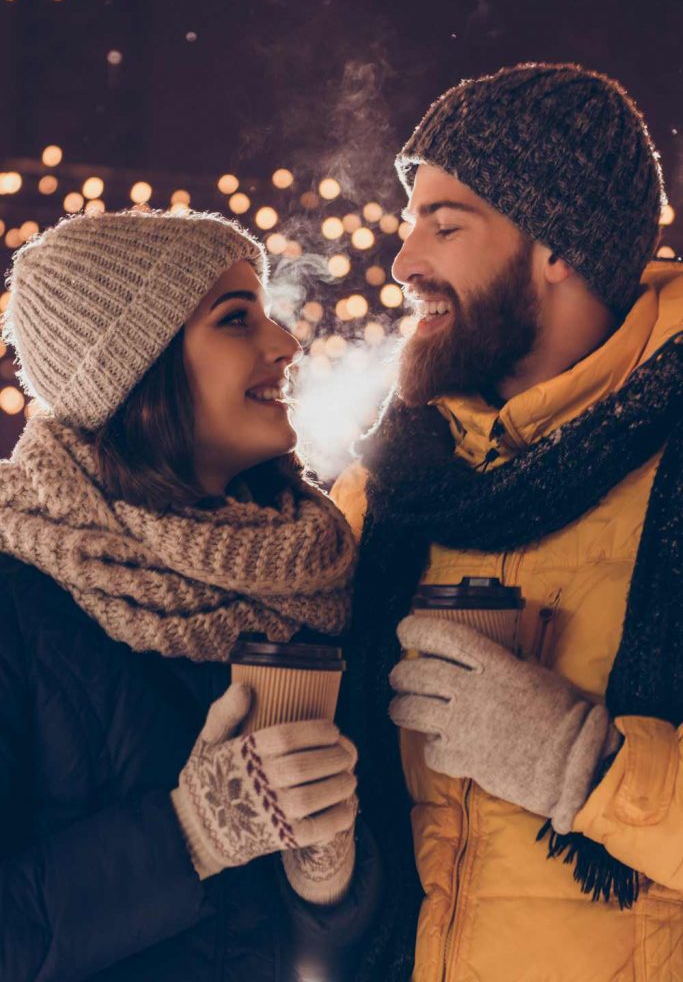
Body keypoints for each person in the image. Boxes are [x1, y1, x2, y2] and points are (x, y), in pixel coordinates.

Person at [331, 63, 683, 981]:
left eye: (445, 225)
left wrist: (590, 768)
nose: (404, 261)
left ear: (556, 246)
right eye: (411, 222)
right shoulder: (392, 487)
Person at [0, 208, 379, 982]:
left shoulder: (314, 580)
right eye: (236, 320)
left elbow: (337, 954)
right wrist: (188, 835)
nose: (285, 345)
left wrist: (330, 883)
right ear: (134, 373)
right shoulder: (17, 597)